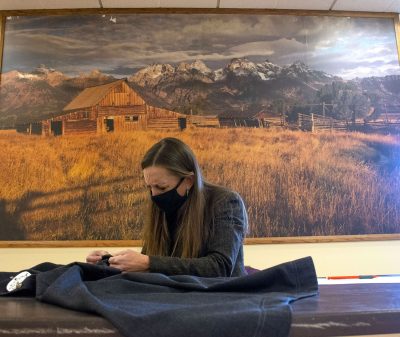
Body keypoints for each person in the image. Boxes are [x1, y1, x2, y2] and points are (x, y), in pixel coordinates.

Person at [86, 137, 248, 277]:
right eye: (149, 187)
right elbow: (154, 262)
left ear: (189, 181)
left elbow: (220, 267)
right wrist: (112, 261)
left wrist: (148, 262)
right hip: (178, 296)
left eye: (162, 188)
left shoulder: (226, 202)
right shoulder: (161, 205)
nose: (154, 195)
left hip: (223, 297)